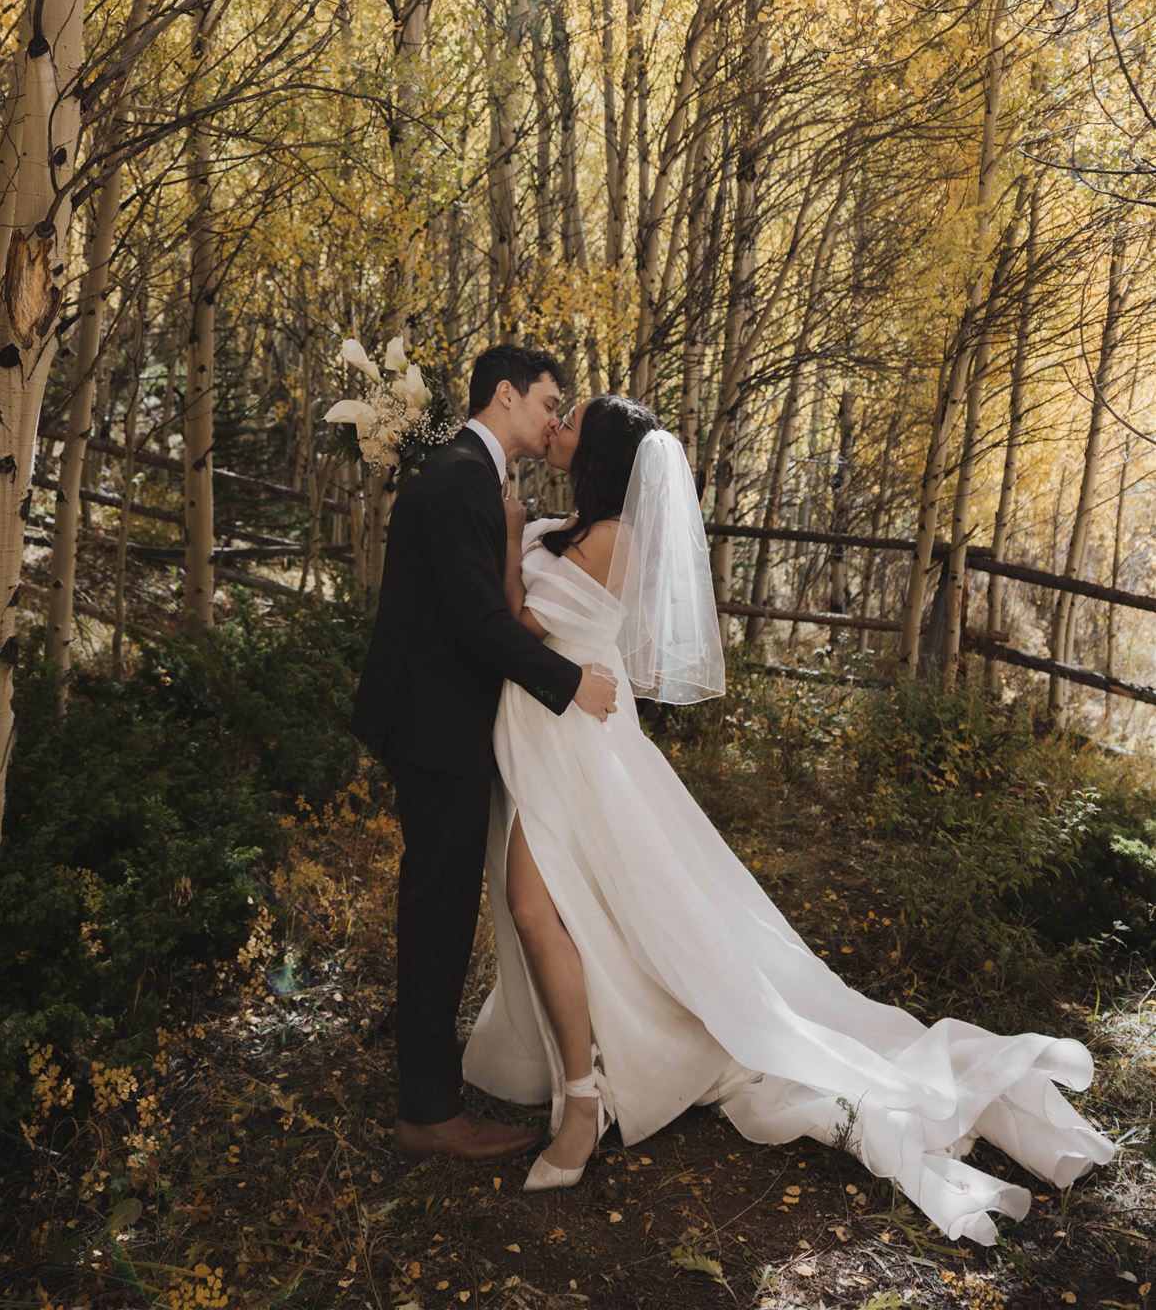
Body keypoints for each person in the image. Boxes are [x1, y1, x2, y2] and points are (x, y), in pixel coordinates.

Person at [461, 395, 1115, 1243]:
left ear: (603, 454)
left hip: (572, 746)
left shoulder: (611, 538)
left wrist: (509, 534)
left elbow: (516, 624)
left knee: (538, 904)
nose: (561, 425)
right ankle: (593, 1072)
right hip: (551, 737)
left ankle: (587, 1103)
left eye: (574, 419)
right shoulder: (574, 523)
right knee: (570, 909)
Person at [351, 345, 619, 1164]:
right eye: (547, 400)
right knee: (437, 910)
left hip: (436, 722)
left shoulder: (467, 471)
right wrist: (568, 681)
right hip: (436, 728)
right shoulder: (463, 474)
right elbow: (477, 625)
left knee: (440, 904)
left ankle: (428, 1088)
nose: (552, 418)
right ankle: (427, 1111)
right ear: (503, 393)